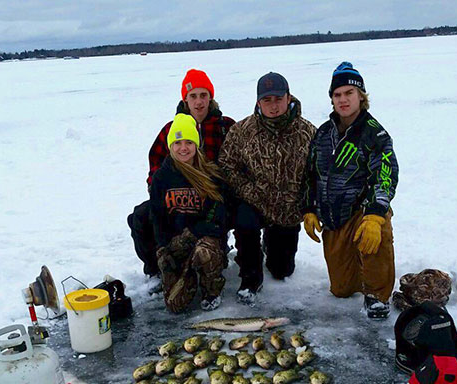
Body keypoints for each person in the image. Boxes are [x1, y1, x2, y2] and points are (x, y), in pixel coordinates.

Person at [304, 62, 399, 319]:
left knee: (375, 231)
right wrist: (309, 209)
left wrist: (377, 212)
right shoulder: (323, 134)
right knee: (341, 289)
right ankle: (357, 270)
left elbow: (385, 175)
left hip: (362, 212)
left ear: (361, 96)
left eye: (349, 93)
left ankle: (377, 295)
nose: (343, 99)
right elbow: (311, 174)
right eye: (337, 94)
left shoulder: (374, 134)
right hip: (334, 218)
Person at [219, 72, 316, 305]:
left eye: (278, 99)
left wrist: (309, 206)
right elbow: (226, 165)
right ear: (258, 102)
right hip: (254, 204)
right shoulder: (243, 131)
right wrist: (250, 191)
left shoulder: (307, 133)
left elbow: (317, 175)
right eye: (267, 100)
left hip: (287, 211)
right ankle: (250, 278)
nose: (273, 106)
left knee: (282, 270)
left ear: (288, 97)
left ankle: (271, 246)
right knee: (244, 220)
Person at [128, 69, 234, 282]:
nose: (198, 102)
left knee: (244, 216)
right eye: (193, 96)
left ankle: (226, 261)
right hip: (179, 200)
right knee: (140, 216)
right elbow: (155, 169)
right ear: (185, 99)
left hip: (217, 199)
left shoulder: (226, 127)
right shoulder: (171, 130)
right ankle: (157, 271)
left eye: (203, 95)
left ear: (210, 97)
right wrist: (166, 197)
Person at [150, 113, 227, 313]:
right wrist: (165, 246)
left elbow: (220, 211)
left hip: (204, 239)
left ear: (196, 145)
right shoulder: (161, 177)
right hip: (176, 241)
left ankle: (212, 290)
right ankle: (188, 276)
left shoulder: (210, 173)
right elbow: (157, 216)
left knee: (204, 252)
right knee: (175, 306)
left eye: (188, 142)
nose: (183, 148)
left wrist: (201, 228)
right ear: (170, 146)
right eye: (177, 143)